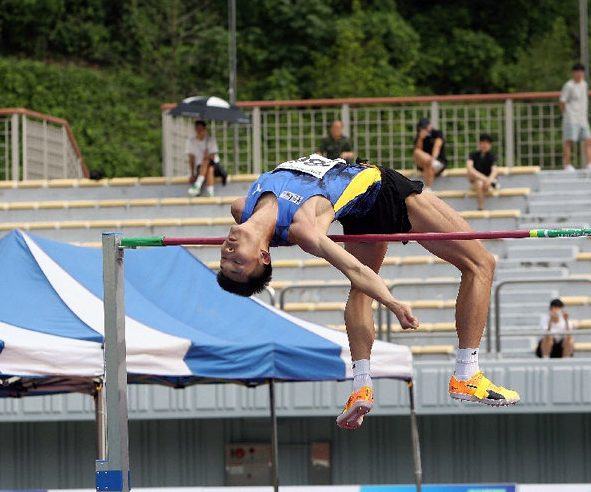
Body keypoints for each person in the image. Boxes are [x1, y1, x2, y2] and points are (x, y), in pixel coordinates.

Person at [216, 154, 519, 429]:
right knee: (481, 263)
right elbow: (356, 270)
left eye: (225, 259)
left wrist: (262, 236)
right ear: (263, 257)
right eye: (238, 262)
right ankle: (467, 373)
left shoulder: (242, 208)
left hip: (358, 208)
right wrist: (394, 303)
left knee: (360, 293)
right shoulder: (304, 229)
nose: (229, 252)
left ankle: (361, 385)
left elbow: (265, 227)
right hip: (384, 191)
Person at [559, 63, 591, 171]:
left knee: (588, 140)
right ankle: (567, 165)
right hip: (571, 117)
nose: (579, 74)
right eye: (577, 72)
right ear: (573, 73)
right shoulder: (568, 85)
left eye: (581, 72)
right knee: (569, 141)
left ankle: (589, 163)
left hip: (583, 118)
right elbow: (562, 102)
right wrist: (567, 113)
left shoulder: (585, 84)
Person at [187, 120, 224, 197]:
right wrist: (192, 173)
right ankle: (210, 192)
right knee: (210, 169)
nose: (199, 131)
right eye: (197, 129)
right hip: (202, 168)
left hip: (213, 164)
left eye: (201, 129)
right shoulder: (191, 141)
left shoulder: (210, 140)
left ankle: (197, 185)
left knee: (207, 161)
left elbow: (213, 156)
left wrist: (207, 156)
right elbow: (191, 159)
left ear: (204, 130)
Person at [466, 133, 499, 210]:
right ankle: (481, 206)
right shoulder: (473, 155)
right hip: (479, 182)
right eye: (483, 142)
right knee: (477, 180)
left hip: (488, 183)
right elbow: (470, 168)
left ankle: (481, 206)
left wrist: (489, 180)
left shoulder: (493, 156)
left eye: (487, 143)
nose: (485, 145)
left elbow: (494, 170)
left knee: (479, 181)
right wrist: (486, 179)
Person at [413, 118, 447, 189]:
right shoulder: (419, 137)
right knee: (417, 152)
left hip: (439, 161)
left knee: (428, 165)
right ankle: (428, 188)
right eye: (423, 128)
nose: (426, 130)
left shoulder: (437, 133)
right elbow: (417, 152)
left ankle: (428, 188)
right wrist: (421, 138)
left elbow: (437, 146)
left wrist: (433, 159)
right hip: (431, 163)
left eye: (426, 127)